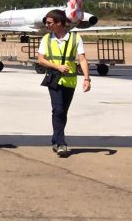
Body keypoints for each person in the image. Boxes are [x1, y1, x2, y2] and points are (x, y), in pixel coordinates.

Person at [36, 9, 91, 158]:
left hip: (70, 81)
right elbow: (41, 59)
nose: (46, 25)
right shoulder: (46, 39)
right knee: (58, 110)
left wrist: (87, 78)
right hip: (54, 79)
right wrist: (57, 66)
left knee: (63, 112)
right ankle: (61, 143)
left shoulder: (75, 38)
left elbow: (82, 59)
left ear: (59, 23)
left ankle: (55, 139)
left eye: (49, 23)